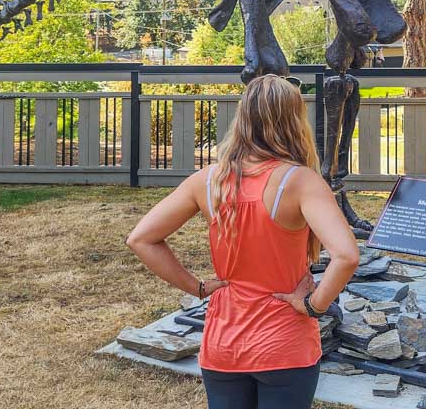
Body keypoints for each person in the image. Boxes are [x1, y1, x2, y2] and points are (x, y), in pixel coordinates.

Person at [127, 75, 360, 409]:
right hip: (284, 344)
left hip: (224, 345)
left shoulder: (208, 180)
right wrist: (313, 305)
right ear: (294, 119)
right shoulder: (300, 182)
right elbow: (347, 256)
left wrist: (197, 288)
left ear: (243, 117)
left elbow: (141, 239)